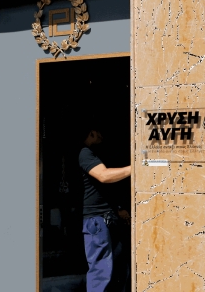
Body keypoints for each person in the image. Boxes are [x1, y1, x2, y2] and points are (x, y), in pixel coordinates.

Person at [79, 125, 131, 292]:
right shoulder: (84, 153)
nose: (102, 137)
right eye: (99, 133)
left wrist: (118, 209)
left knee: (116, 269)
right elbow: (104, 176)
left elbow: (106, 190)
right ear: (91, 133)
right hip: (96, 220)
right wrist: (136, 167)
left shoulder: (96, 154)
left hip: (107, 218)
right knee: (101, 272)